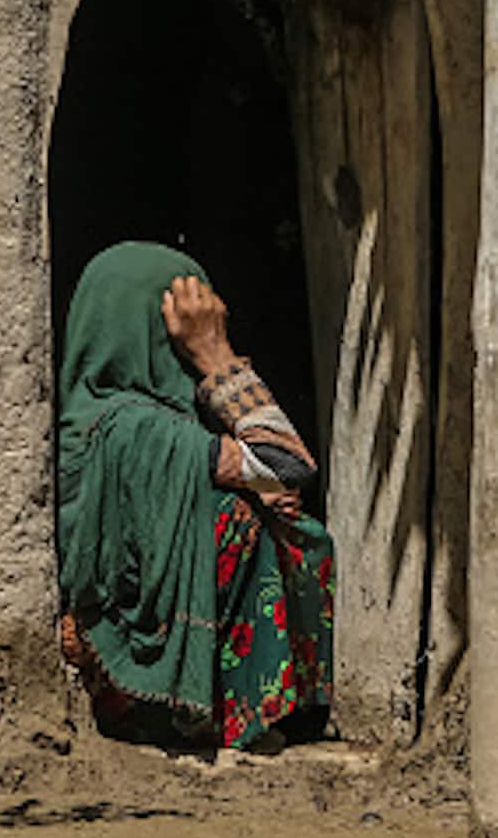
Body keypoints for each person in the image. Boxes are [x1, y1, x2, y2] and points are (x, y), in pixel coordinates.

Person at [55, 242, 335, 751]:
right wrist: (215, 354)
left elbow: (274, 480)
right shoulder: (138, 430)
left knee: (274, 516)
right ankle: (202, 712)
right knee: (238, 517)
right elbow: (288, 464)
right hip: (131, 662)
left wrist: (259, 488)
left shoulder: (94, 423)